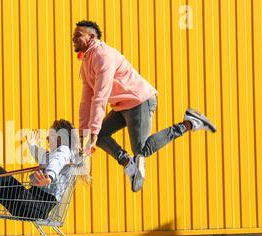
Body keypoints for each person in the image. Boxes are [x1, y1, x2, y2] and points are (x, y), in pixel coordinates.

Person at [73, 20, 217, 192]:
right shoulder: (86, 65)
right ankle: (128, 163)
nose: (73, 38)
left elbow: (100, 98)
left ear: (91, 36)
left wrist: (92, 132)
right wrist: (84, 134)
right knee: (102, 135)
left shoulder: (103, 56)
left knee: (142, 149)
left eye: (78, 35)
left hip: (138, 101)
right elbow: (85, 103)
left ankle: (189, 123)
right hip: (122, 106)